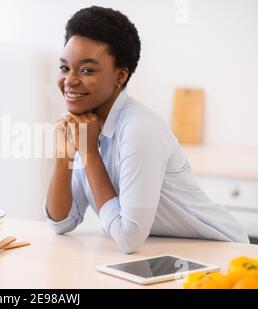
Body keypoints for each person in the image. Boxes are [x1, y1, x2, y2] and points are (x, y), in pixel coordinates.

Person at [45, 6, 249, 254]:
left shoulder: (140, 129)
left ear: (120, 76)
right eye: (65, 68)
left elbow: (128, 238)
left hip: (221, 252)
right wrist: (63, 156)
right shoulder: (87, 125)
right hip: (163, 253)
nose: (70, 80)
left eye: (87, 70)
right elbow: (62, 222)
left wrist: (89, 153)